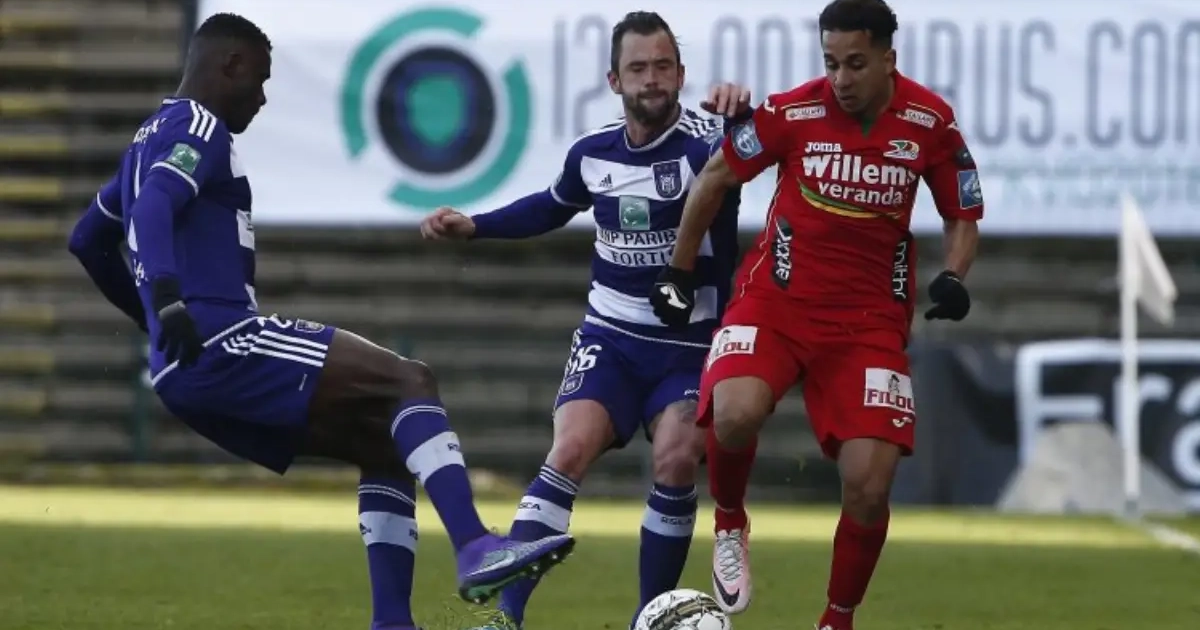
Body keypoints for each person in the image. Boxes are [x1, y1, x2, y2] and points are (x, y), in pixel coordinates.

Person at [66, 13, 575, 630]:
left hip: (183, 371)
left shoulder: (143, 143)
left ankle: (392, 622)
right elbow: (153, 207)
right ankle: (475, 546)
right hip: (226, 341)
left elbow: (88, 239)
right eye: (259, 79)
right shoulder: (199, 126)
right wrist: (169, 302)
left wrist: (156, 321)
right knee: (410, 380)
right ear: (230, 64)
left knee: (385, 444)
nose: (261, 97)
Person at [649, 0, 983, 627]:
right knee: (733, 411)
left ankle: (837, 617)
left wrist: (953, 276)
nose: (841, 79)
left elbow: (961, 212)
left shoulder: (930, 121)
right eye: (831, 63)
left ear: (888, 58)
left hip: (869, 323)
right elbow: (715, 177)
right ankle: (730, 522)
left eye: (856, 63)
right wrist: (678, 270)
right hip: (776, 302)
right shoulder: (791, 112)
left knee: (870, 484)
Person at [419, 11, 749, 630]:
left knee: (677, 458)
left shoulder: (710, 145)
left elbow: (765, 149)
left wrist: (743, 116)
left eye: (663, 66)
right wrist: (476, 225)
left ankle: (648, 617)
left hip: (687, 347)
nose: (651, 79)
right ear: (614, 80)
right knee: (567, 449)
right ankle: (505, 619)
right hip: (611, 339)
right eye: (638, 68)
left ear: (681, 74)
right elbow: (550, 206)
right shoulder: (592, 153)